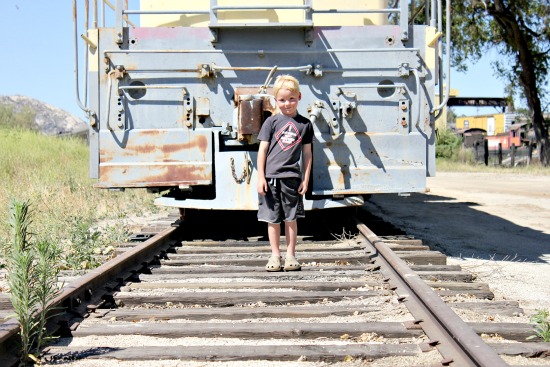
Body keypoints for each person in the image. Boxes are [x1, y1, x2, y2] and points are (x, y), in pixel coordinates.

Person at [256, 75, 313, 272]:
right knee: (272, 219)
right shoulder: (271, 122)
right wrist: (260, 177)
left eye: (291, 99)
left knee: (291, 218)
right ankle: (275, 255)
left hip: (291, 178)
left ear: (299, 97)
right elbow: (262, 150)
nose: (287, 104)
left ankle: (290, 255)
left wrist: (305, 179)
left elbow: (307, 153)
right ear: (275, 100)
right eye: (281, 100)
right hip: (271, 178)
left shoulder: (305, 124)